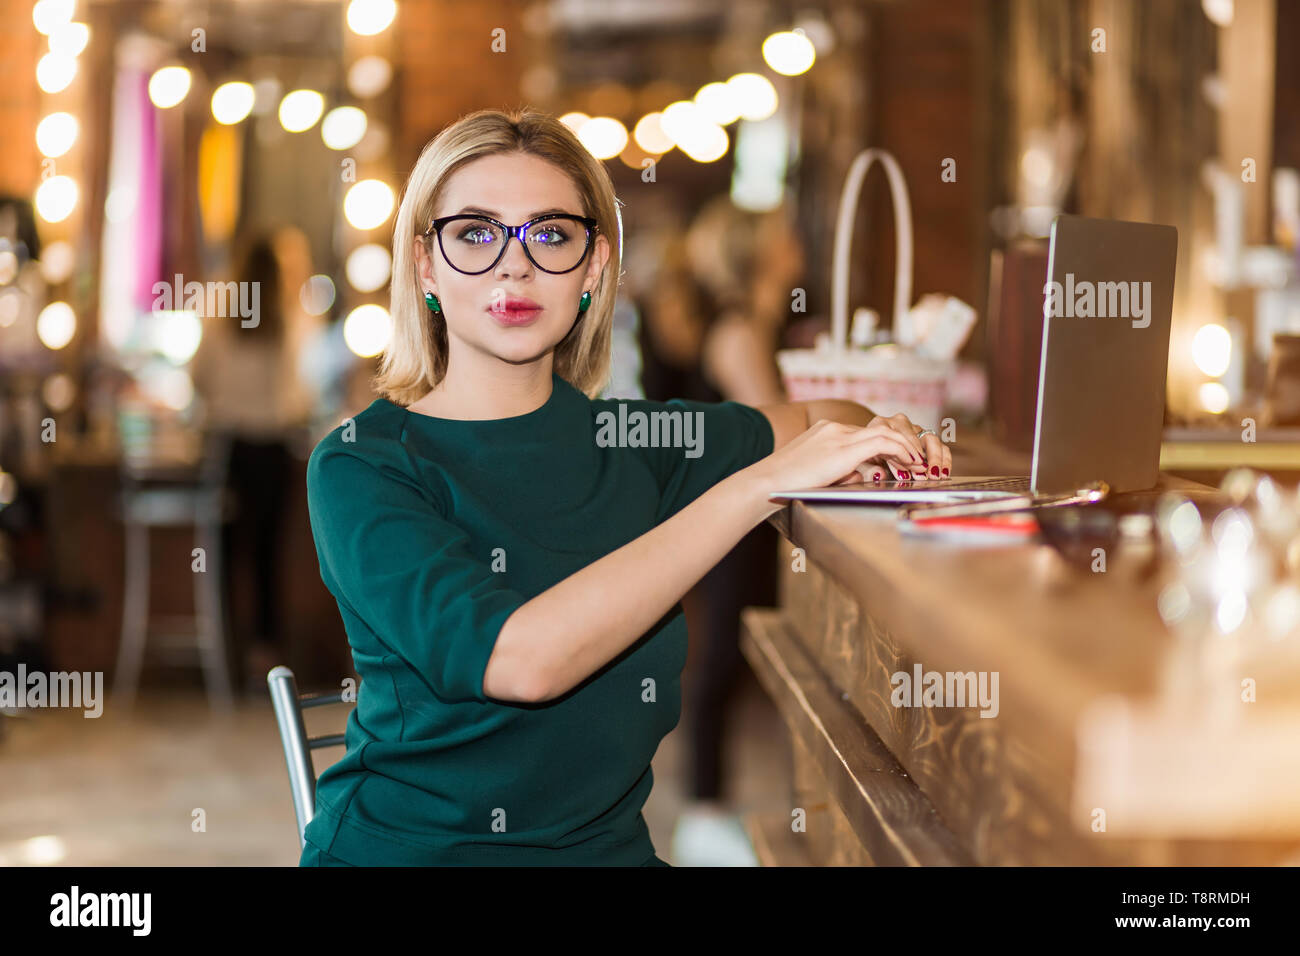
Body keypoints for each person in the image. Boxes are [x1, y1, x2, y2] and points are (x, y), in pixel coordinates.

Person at [298, 108, 953, 867]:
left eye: (550, 235)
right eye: (475, 234)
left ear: (594, 265)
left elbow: (821, 413)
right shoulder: (362, 464)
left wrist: (876, 435)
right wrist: (757, 487)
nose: (515, 266)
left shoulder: (633, 439)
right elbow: (521, 661)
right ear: (425, 266)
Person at [636, 196, 809, 864]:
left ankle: (718, 810)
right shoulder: (738, 330)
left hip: (746, 512)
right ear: (759, 253)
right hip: (735, 514)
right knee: (720, 660)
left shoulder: (754, 324)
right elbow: (773, 436)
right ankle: (704, 813)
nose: (795, 245)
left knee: (738, 656)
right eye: (782, 236)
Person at [191, 226, 319, 694]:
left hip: (227, 449)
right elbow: (300, 395)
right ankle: (265, 657)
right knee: (268, 557)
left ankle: (224, 653)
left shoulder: (220, 313)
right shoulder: (292, 317)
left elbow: (198, 377)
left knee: (222, 557)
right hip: (275, 447)